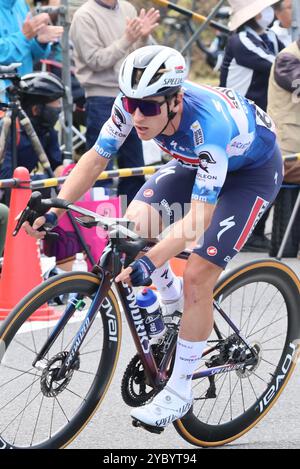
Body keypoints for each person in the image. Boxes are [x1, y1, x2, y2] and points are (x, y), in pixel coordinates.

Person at [22, 45, 283, 430]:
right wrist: (55, 210)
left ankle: (179, 392)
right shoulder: (131, 107)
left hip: (252, 174)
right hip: (194, 164)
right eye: (130, 104)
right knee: (130, 228)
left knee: (197, 276)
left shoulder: (207, 125)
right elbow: (95, 158)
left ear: (175, 101)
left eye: (147, 108)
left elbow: (197, 219)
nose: (136, 115)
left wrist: (150, 261)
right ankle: (173, 301)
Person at [70, 0, 160, 204]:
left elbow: (138, 56)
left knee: (135, 165)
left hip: (132, 95)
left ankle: (132, 217)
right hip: (101, 96)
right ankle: (96, 221)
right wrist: (127, 39)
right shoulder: (84, 16)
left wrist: (143, 37)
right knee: (100, 165)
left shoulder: (128, 9)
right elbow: (95, 61)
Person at [220, 0, 285, 252]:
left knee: (260, 174)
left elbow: (286, 53)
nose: (270, 11)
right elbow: (277, 63)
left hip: (261, 120)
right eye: (264, 8)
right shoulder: (240, 40)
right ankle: (229, 230)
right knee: (235, 178)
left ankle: (254, 232)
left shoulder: (270, 36)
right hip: (235, 120)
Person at [0, 72, 65, 180]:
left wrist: (65, 171)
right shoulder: (9, 128)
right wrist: (45, 179)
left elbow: (56, 165)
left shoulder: (47, 131)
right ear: (36, 110)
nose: (59, 108)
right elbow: (6, 179)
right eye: (56, 104)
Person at [0, 0, 63, 78]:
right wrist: (24, 37)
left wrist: (39, 43)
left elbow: (28, 57)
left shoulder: (20, 4)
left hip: (23, 85)